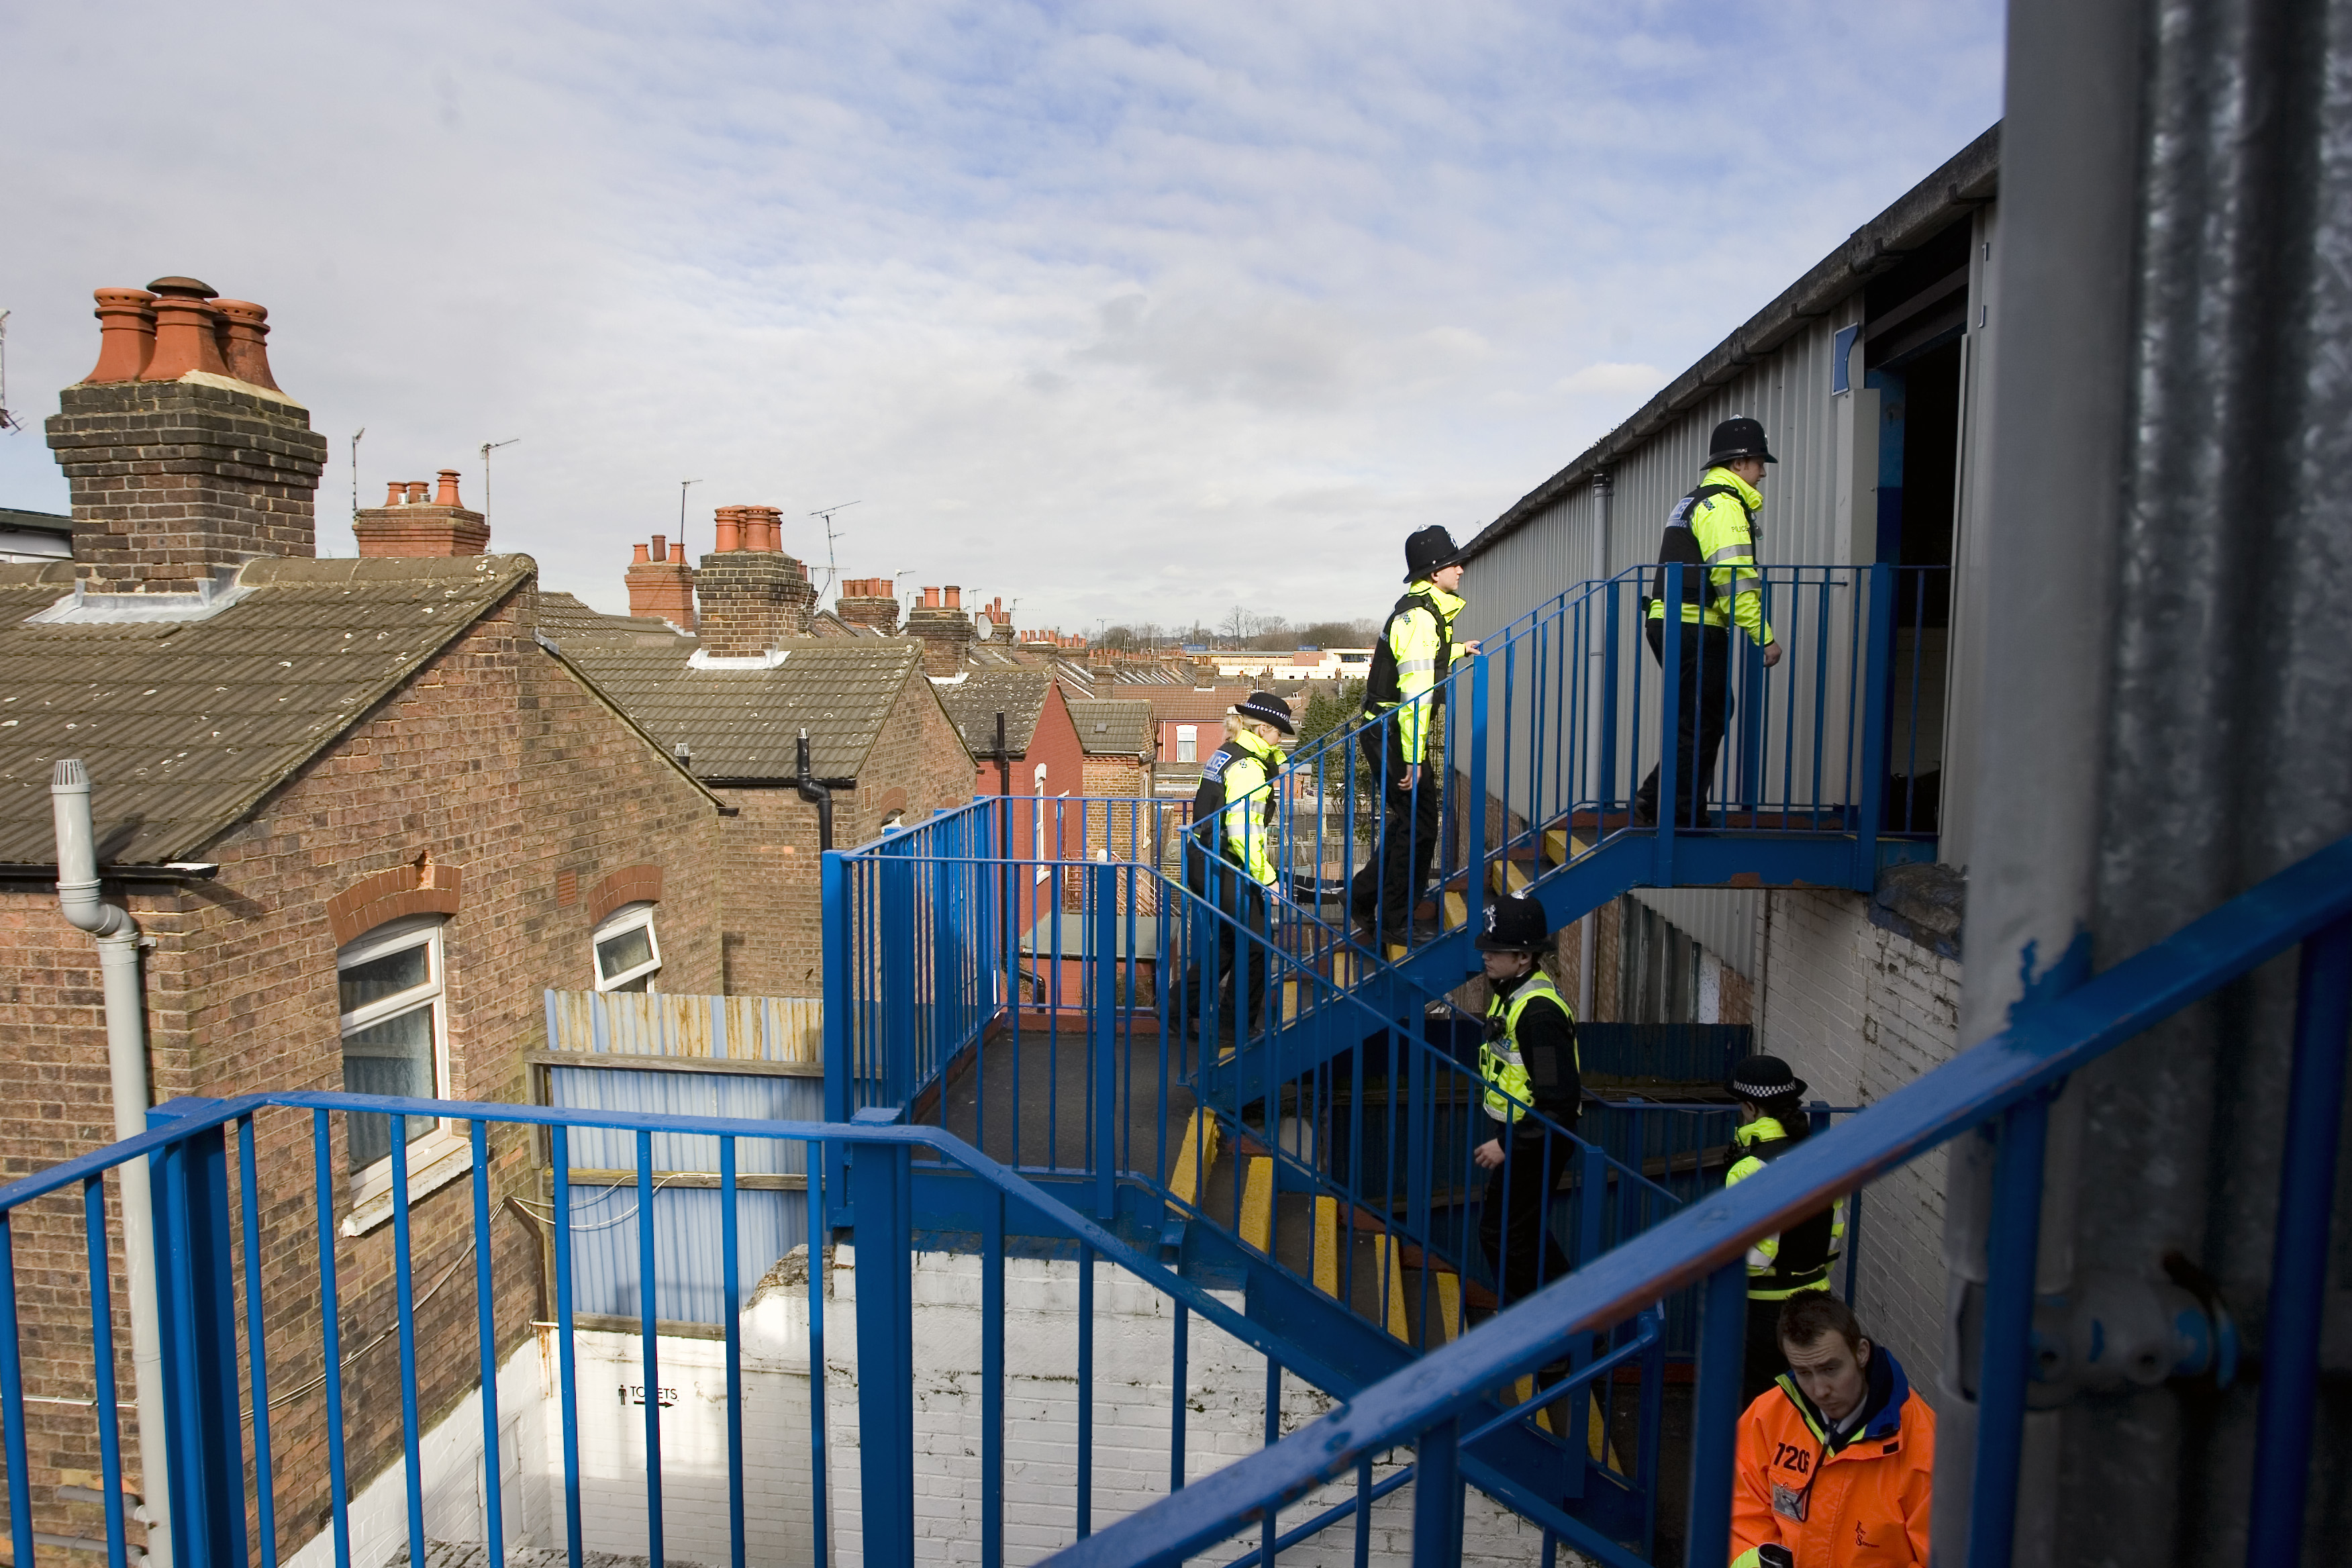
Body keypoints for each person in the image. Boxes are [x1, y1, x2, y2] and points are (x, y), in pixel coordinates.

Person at [1634, 417, 1782, 830]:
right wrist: (1764, 637)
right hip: (1693, 625)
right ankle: (1676, 812)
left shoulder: (1698, 499)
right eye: (1757, 463)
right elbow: (1732, 578)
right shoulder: (1725, 508)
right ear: (1738, 464)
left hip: (1678, 622)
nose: (1763, 472)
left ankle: (1658, 799)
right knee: (1702, 715)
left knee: (1706, 712)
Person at [1731, 1293, 1934, 1567]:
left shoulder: (1924, 1442)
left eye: (1830, 1369)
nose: (1820, 1390)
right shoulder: (1766, 1417)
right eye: (1803, 1373)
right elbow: (1741, 1513)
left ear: (1861, 1353)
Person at [1353, 524, 1479, 945]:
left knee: (1410, 822)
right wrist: (1412, 758)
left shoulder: (1423, 613)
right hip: (1395, 733)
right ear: (1432, 574)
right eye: (1452, 564)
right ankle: (1393, 921)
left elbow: (1421, 659)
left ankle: (1363, 898)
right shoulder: (1423, 619)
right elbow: (1416, 698)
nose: (1460, 570)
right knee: (1421, 828)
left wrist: (1460, 649)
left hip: (1387, 730)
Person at [1470, 893, 1581, 1308]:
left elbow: (1559, 1104)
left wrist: (1508, 1145)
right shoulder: (1511, 991)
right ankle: (1563, 1322)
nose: (1486, 956)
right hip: (1524, 1135)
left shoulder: (1537, 1012)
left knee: (1505, 1234)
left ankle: (1539, 1332)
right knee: (1519, 1233)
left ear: (1524, 957)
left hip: (1536, 1139)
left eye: (1495, 950)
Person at [1724, 1055, 1845, 1406]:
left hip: (1764, 1312)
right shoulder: (1822, 1156)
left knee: (1760, 1407)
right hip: (1817, 1300)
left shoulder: (1749, 1167)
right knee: (1807, 1403)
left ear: (1749, 1107)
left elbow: (1751, 1258)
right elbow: (1834, 1235)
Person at [1175, 691, 1293, 1044]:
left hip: (1207, 857)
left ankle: (1177, 1007)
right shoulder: (1248, 770)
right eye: (1278, 734)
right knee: (1257, 944)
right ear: (1261, 730)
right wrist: (1268, 879)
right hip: (1225, 860)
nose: (1281, 740)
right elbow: (1245, 833)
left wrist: (1277, 762)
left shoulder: (1230, 752)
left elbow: (1266, 754)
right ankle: (1234, 1028)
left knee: (1230, 942)